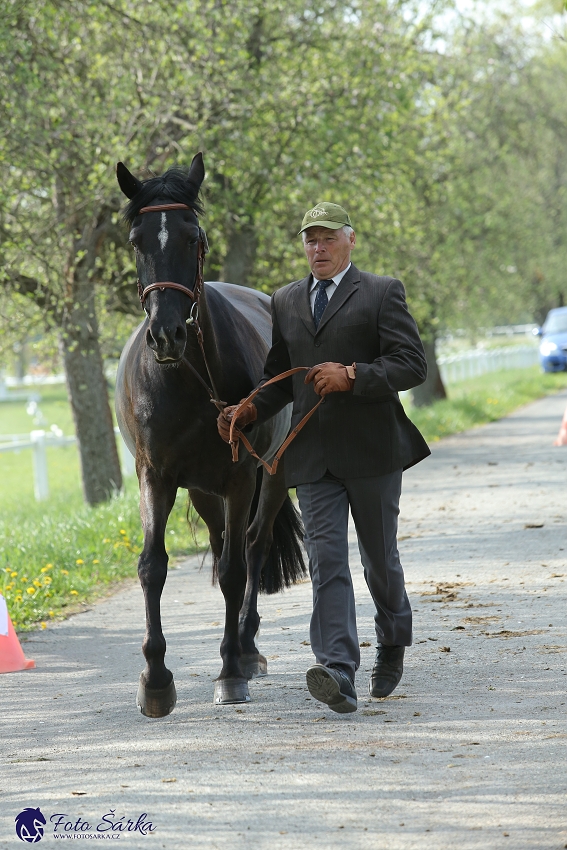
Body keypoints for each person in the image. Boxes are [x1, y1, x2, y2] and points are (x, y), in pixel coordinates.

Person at [217, 202, 430, 713]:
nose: (318, 248)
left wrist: (353, 376)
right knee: (326, 562)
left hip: (373, 451)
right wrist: (247, 410)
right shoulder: (286, 300)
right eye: (310, 240)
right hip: (310, 458)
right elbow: (279, 378)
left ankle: (393, 639)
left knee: (380, 561)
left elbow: (411, 364)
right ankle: (338, 668)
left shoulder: (381, 292)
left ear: (350, 241)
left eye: (328, 238)